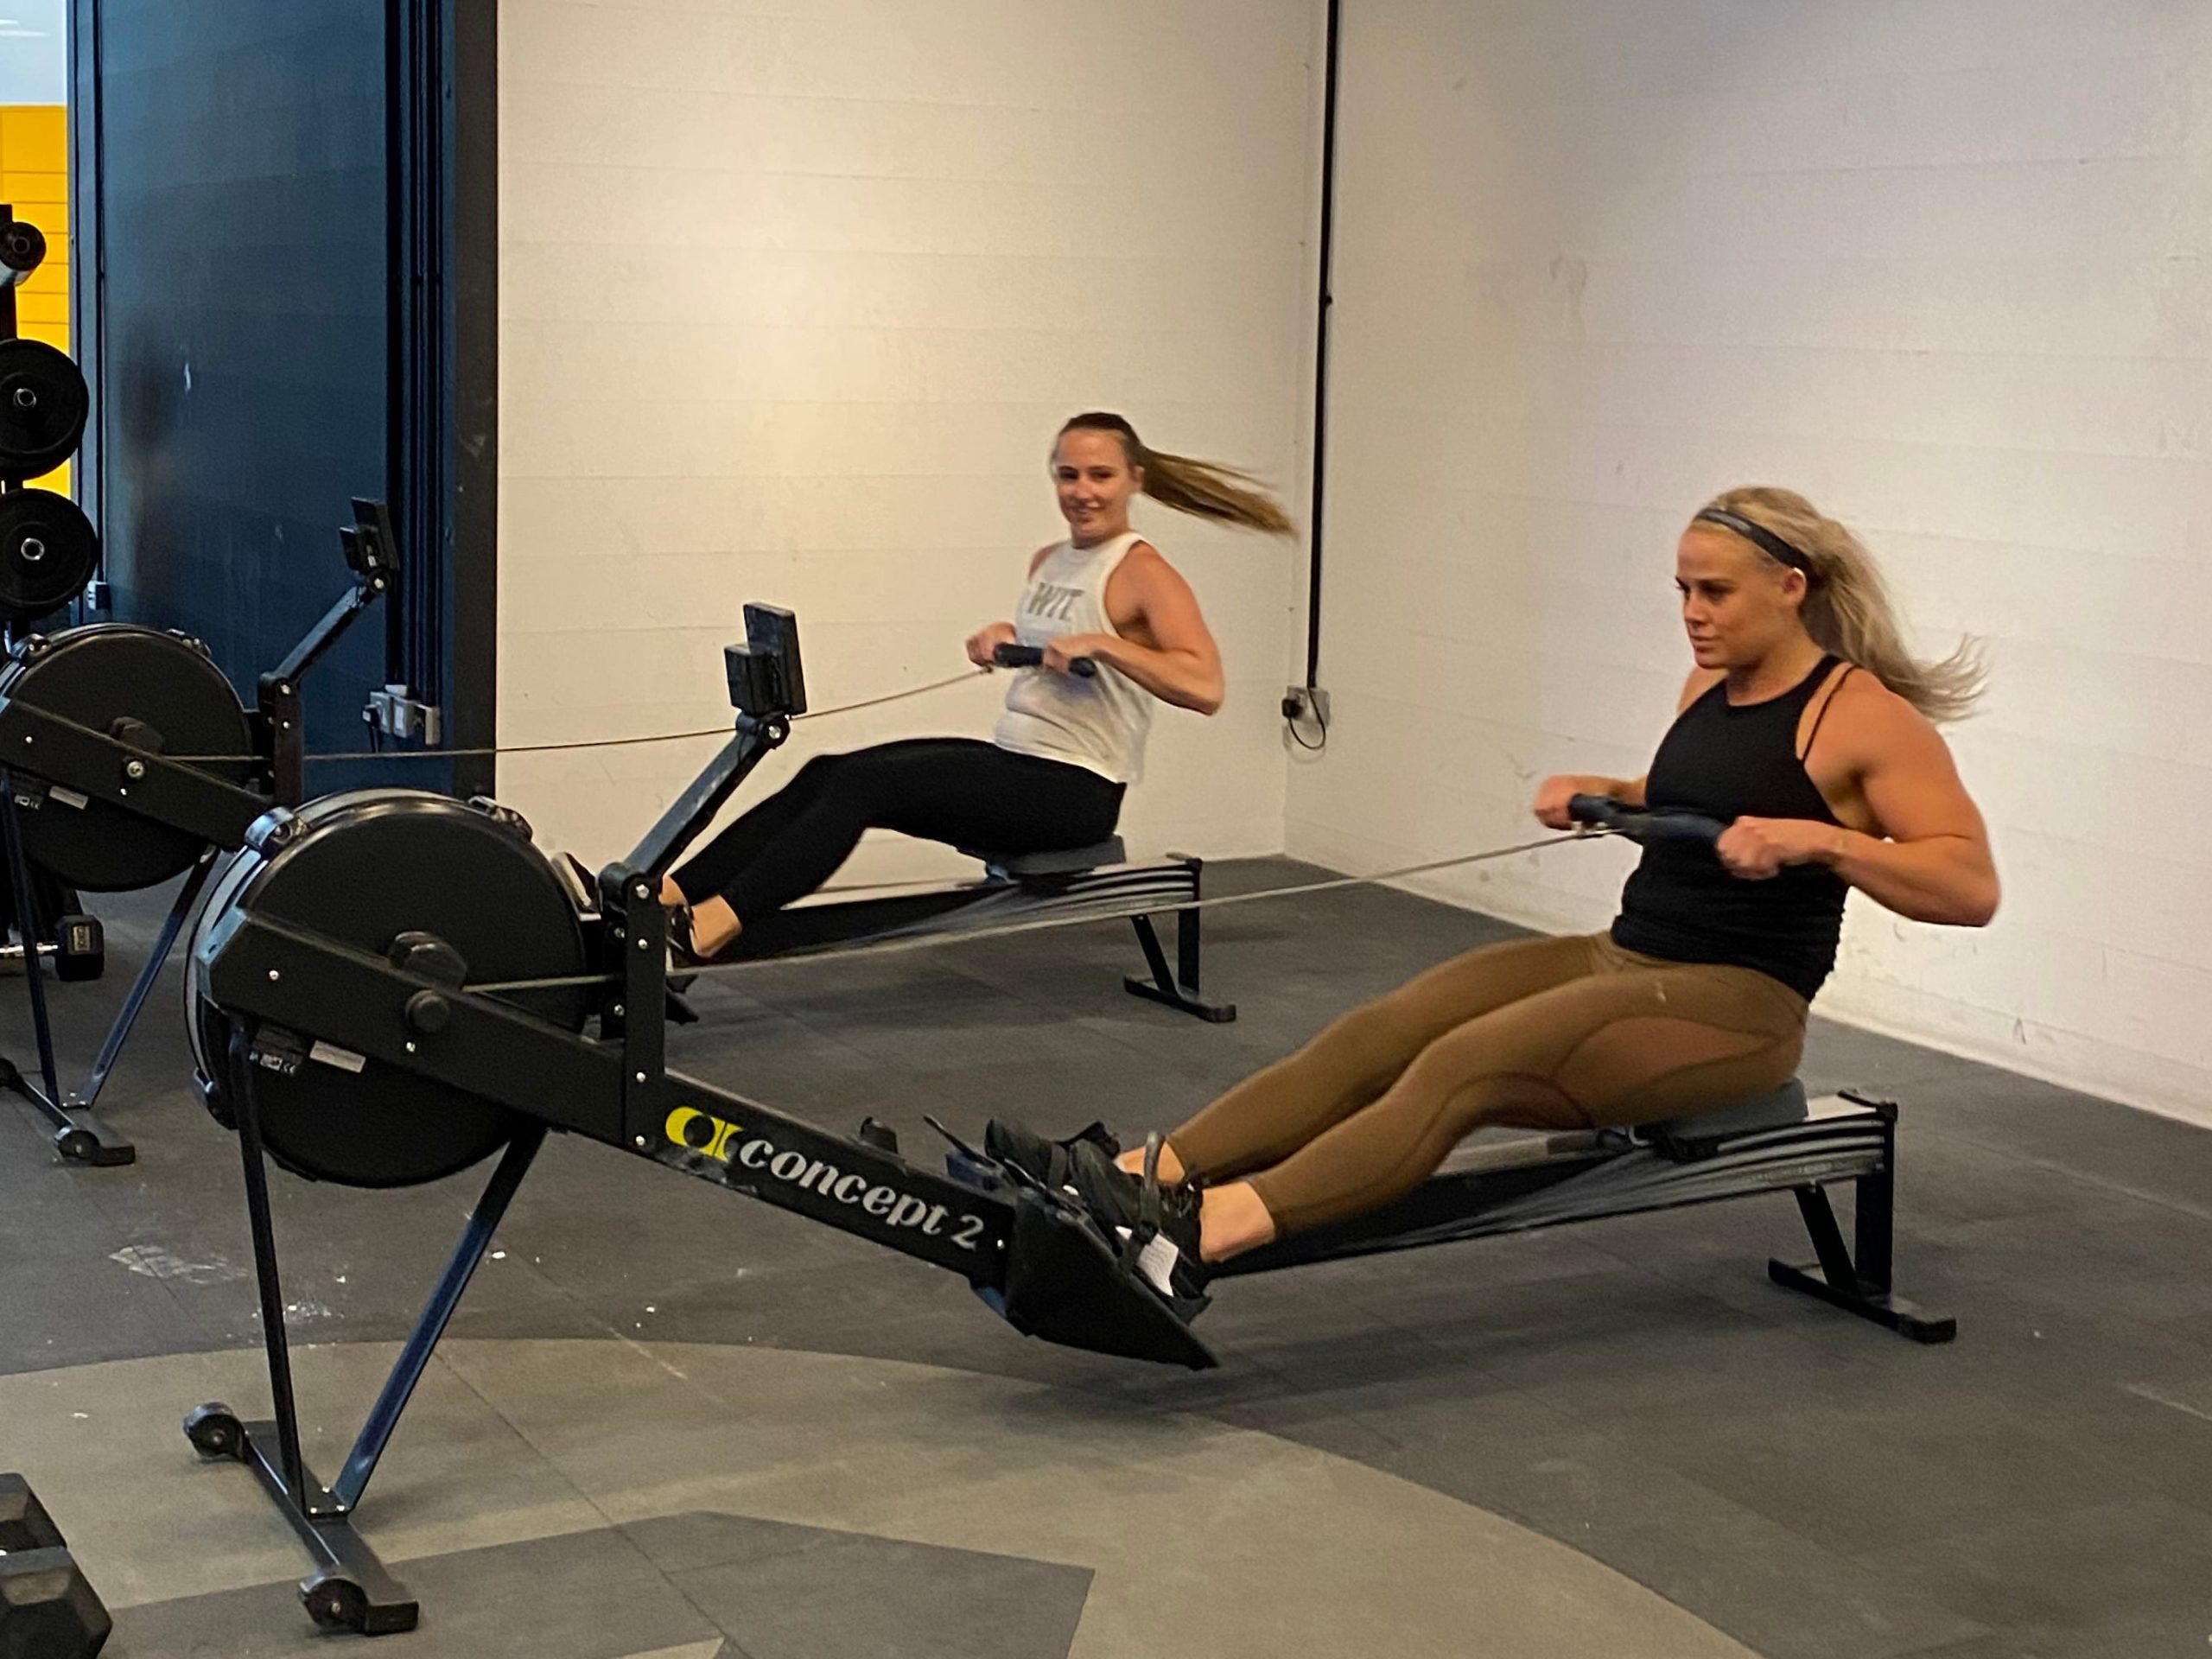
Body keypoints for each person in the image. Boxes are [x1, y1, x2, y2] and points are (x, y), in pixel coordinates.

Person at [992, 486, 1999, 1305]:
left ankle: (1200, 1242)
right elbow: (1702, 795)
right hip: (1628, 956)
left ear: (1790, 587)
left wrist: (1822, 840)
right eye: (1681, 590)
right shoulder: (1709, 684)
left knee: (1464, 1066)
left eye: (1716, 593)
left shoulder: (1861, 717)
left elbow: (1967, 885)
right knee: (1384, 1029)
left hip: (1738, 1008)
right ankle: (1131, 1180)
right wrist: (1606, 793)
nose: (1692, 614)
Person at [663, 413, 1294, 960]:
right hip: (1018, 763)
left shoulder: (1145, 571)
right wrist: (1006, 637)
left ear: (1135, 480)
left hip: (1074, 791)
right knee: (829, 771)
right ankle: (668, 894)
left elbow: (1205, 686)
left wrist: (1108, 645)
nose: (1082, 491)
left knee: (865, 786)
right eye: (1068, 475)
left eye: (1100, 476)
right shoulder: (1050, 560)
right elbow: (1058, 647)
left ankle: (714, 928)